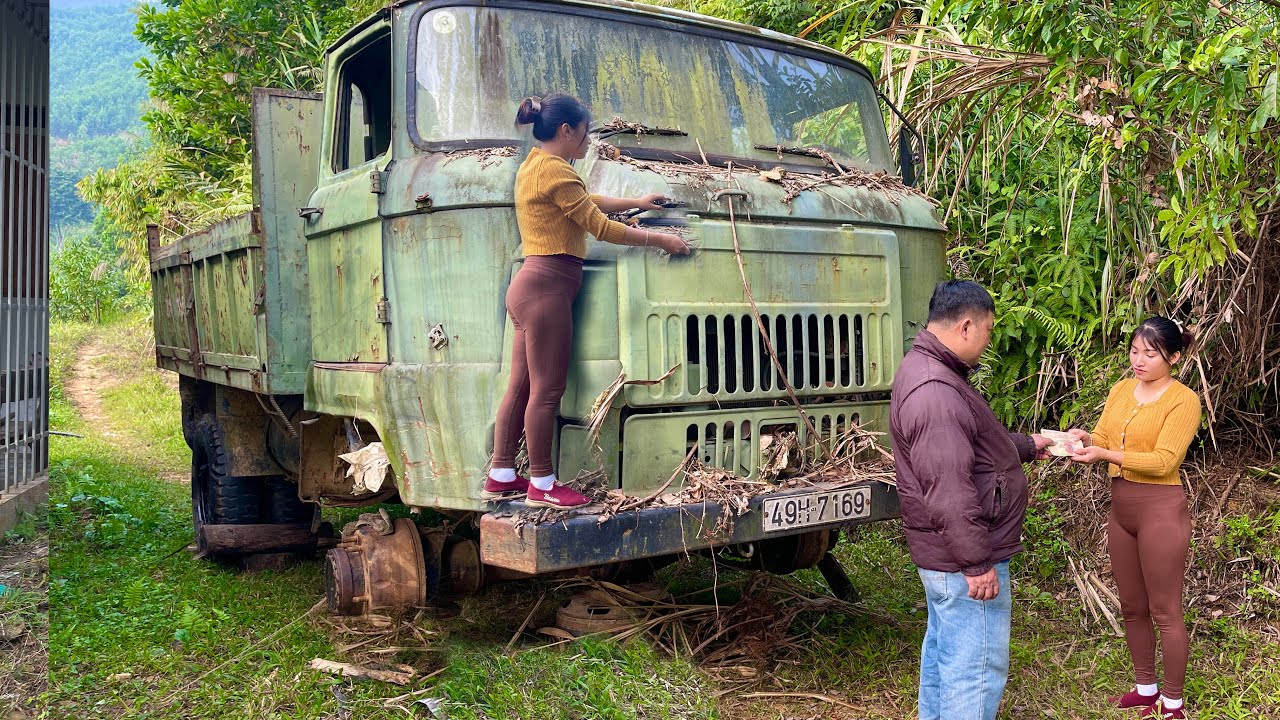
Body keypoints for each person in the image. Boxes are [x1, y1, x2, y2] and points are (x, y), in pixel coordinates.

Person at [485, 93, 690, 509]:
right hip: (548, 288)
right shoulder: (557, 171)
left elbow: (585, 202)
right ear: (566, 131)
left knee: (521, 387)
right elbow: (598, 226)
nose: (587, 141)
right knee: (546, 391)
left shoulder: (537, 165)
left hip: (530, 287)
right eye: (583, 133)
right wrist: (660, 239)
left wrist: (635, 202)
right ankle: (542, 483)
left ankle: (501, 473)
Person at [889, 280, 1051, 720]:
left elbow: (980, 448)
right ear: (965, 326)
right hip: (961, 562)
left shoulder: (932, 372)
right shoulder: (936, 392)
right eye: (988, 332)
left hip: (945, 558)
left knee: (946, 653)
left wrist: (1035, 443)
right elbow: (948, 489)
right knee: (974, 668)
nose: (988, 342)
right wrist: (976, 565)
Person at [1067, 317, 1201, 720]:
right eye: (1135, 351)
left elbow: (1165, 461)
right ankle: (1146, 689)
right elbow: (1105, 437)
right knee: (1132, 606)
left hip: (1160, 510)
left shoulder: (1183, 400)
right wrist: (1087, 439)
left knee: (1165, 610)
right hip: (1121, 510)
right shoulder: (1122, 389)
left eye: (1150, 354)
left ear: (1174, 357)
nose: (1139, 361)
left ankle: (1173, 703)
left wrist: (1105, 455)